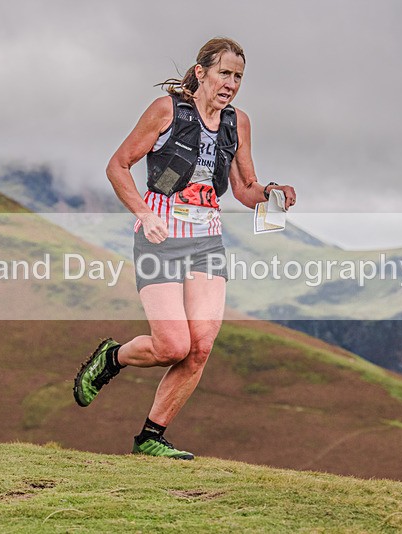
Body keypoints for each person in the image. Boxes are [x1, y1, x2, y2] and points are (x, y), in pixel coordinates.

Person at [73, 37, 296, 460]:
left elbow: (245, 189)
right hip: (160, 235)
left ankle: (151, 438)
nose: (231, 83)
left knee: (201, 347)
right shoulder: (166, 111)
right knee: (172, 346)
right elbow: (117, 165)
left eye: (238, 77)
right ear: (201, 72)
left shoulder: (237, 122)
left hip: (206, 239)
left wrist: (270, 192)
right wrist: (144, 212)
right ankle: (112, 358)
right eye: (224, 73)